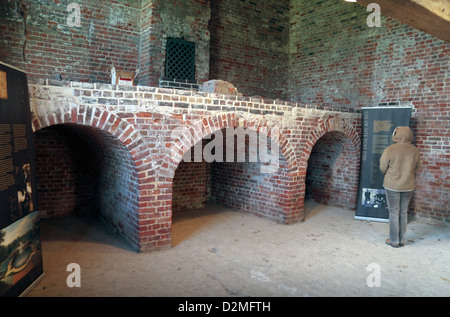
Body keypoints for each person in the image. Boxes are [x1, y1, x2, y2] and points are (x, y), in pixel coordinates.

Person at [379, 126, 420, 248]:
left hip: (392, 185)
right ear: (409, 135)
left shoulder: (390, 149)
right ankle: (401, 240)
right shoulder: (415, 150)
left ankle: (394, 240)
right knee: (403, 212)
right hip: (408, 185)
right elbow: (417, 168)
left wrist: (389, 174)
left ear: (396, 135)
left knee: (394, 213)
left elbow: (382, 167)